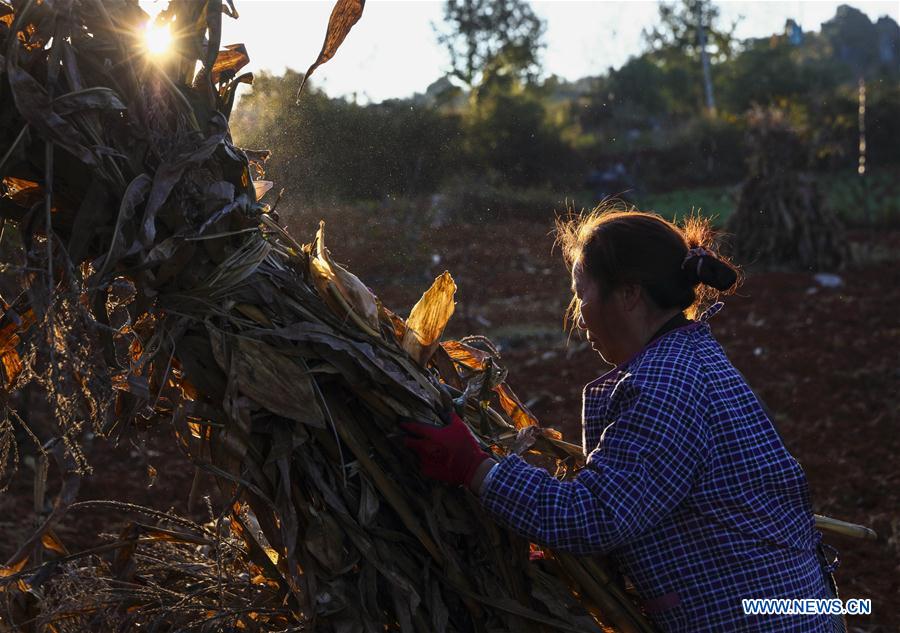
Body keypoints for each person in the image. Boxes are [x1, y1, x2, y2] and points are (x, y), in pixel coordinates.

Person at [401, 209, 845, 632]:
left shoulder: (662, 387)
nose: (577, 316)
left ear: (629, 294)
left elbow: (596, 516)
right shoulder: (692, 357)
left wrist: (475, 468)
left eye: (580, 294)